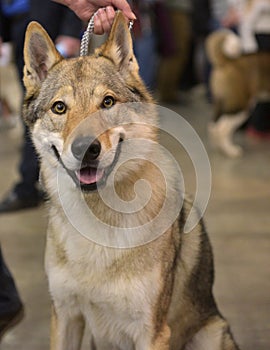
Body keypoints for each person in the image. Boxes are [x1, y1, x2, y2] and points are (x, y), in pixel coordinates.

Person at [0, 0, 82, 213]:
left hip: (52, 27)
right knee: (34, 107)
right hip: (17, 25)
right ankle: (35, 183)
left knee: (53, 110)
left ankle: (30, 185)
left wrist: (72, 29)